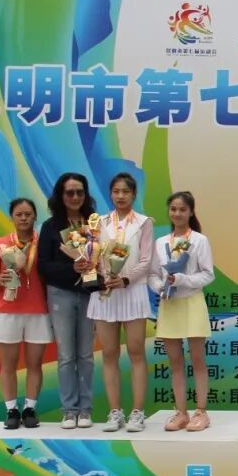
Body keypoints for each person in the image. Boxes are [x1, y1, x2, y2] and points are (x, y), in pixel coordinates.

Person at [87, 172, 154, 433]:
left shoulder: (144, 223)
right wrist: (100, 275)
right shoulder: (98, 223)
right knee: (109, 354)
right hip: (105, 294)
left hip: (132, 292)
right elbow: (91, 256)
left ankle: (137, 413)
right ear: (110, 194)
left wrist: (125, 279)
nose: (121, 196)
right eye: (116, 191)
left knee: (136, 352)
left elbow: (146, 260)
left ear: (134, 194)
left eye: (126, 191)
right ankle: (115, 413)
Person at [149, 192, 214, 432]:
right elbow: (153, 274)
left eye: (182, 209)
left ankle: (201, 411)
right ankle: (181, 412)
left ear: (190, 212)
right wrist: (160, 287)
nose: (177, 213)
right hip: (169, 305)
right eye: (173, 209)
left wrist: (182, 280)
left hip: (192, 303)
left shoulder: (199, 240)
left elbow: (208, 274)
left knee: (197, 360)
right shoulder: (160, 242)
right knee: (175, 362)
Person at [38, 173, 96, 429]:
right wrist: (72, 267)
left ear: (86, 195)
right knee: (66, 356)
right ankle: (69, 411)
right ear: (60, 196)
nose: (75, 197)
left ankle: (85, 410)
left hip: (89, 294)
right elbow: (43, 266)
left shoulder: (94, 225)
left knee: (86, 355)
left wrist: (93, 269)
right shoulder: (51, 227)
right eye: (69, 192)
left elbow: (104, 259)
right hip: (60, 294)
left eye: (79, 192)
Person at [0, 199, 51, 429]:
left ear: (35, 217)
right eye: (19, 214)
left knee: (35, 364)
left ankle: (30, 408)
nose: (24, 218)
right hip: (8, 311)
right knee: (8, 364)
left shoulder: (43, 244)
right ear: (11, 217)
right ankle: (11, 410)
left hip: (38, 311)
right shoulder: (0, 244)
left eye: (28, 214)